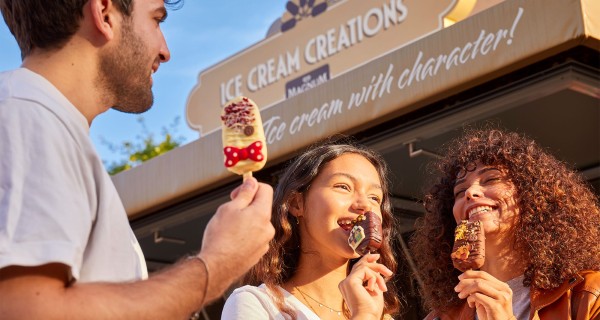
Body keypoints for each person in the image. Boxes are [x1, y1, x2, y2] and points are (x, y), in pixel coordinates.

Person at [0, 1, 274, 319]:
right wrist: (216, 264)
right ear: (104, 13)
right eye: (156, 20)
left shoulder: (41, 124)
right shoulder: (25, 116)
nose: (165, 50)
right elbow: (25, 310)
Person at [409, 128, 600, 319]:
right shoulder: (440, 317)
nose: (471, 192)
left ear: (531, 195)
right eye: (460, 191)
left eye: (491, 179)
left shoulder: (589, 295)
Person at [221, 142, 402, 319]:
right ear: (296, 203)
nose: (364, 205)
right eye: (343, 187)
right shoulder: (255, 304)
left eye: (374, 197)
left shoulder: (380, 314)